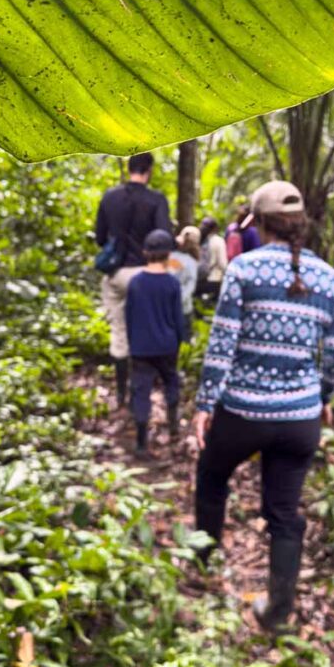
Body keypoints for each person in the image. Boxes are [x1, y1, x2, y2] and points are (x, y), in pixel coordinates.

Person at [193, 181, 334, 634]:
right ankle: (277, 612)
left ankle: (203, 564)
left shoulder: (244, 270)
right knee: (283, 513)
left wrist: (205, 404)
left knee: (211, 475)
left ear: (258, 223)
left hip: (242, 411)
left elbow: (222, 345)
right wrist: (323, 398)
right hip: (299, 418)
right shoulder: (329, 278)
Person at [95, 153, 170, 409]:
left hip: (116, 274)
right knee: (144, 332)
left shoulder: (110, 196)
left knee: (119, 332)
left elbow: (99, 237)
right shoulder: (156, 200)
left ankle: (120, 395)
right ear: (148, 170)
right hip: (144, 276)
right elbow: (163, 239)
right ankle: (142, 395)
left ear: (129, 168)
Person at [125, 230, 185, 453]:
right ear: (168, 254)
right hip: (167, 345)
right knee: (171, 382)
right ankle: (173, 427)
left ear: (144, 252)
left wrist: (133, 343)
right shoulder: (172, 284)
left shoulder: (136, 283)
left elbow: (129, 316)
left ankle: (141, 443)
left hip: (141, 346)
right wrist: (179, 342)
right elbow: (178, 318)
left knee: (141, 391)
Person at [168, 226, 200, 343]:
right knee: (184, 341)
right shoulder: (192, 261)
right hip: (184, 308)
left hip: (168, 306)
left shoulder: (170, 256)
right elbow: (190, 287)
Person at [196, 217, 228, 299]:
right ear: (215, 228)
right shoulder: (218, 241)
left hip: (199, 280)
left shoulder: (198, 239)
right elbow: (222, 264)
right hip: (215, 281)